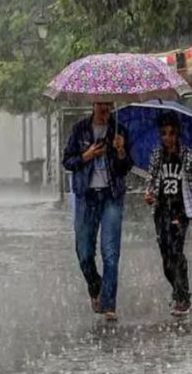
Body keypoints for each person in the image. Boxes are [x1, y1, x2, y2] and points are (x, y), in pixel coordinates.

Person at [63, 101, 132, 321]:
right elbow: (67, 161)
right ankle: (96, 287)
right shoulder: (80, 129)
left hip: (111, 196)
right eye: (100, 104)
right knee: (84, 252)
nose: (104, 109)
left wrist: (120, 151)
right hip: (86, 196)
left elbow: (126, 167)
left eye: (108, 104)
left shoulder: (119, 130)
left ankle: (109, 304)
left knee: (110, 253)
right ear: (93, 104)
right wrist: (87, 155)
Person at [144, 111, 192, 316]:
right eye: (163, 133)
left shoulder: (186, 154)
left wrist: (181, 159)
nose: (167, 137)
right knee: (166, 259)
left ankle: (183, 297)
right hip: (161, 210)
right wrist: (149, 193)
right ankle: (178, 290)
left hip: (180, 210)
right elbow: (151, 177)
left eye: (171, 133)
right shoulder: (157, 155)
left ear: (177, 133)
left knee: (176, 252)